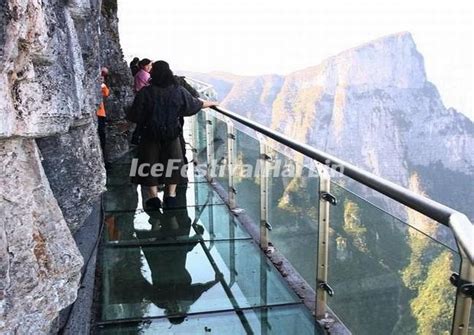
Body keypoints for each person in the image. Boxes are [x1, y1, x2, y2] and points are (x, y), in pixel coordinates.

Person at [127, 60, 218, 209]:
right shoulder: (178, 90)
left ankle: (153, 197)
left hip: (150, 134)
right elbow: (193, 105)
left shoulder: (146, 92)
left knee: (148, 164)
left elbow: (135, 115)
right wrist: (212, 103)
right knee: (174, 164)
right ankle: (171, 195)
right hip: (172, 134)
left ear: (153, 73)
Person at [96, 67, 110, 162]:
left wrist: (102, 84)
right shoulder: (101, 84)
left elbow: (106, 93)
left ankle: (104, 158)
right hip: (98, 112)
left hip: (100, 112)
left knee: (102, 135)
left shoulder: (102, 85)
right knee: (101, 135)